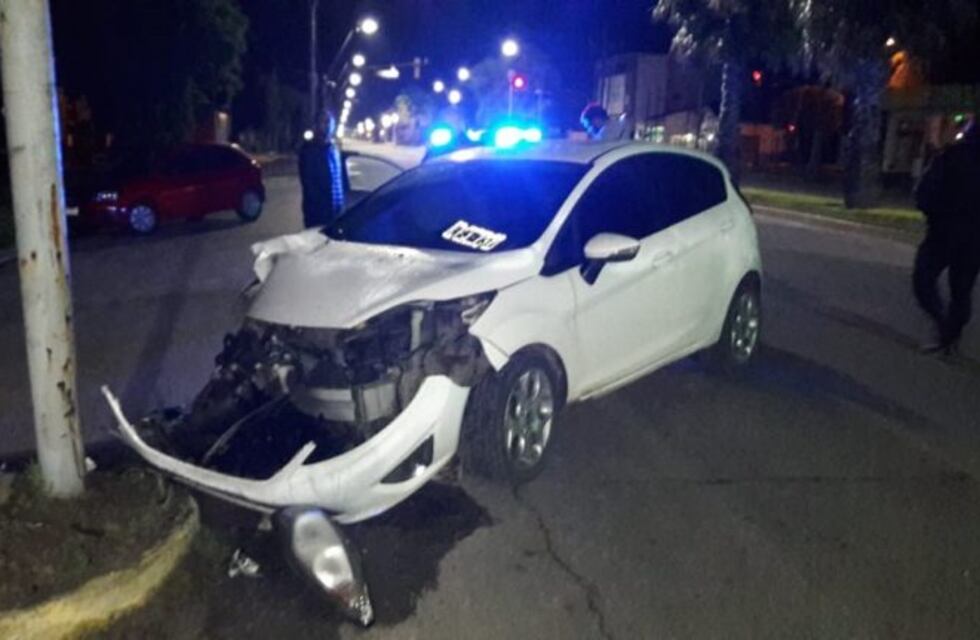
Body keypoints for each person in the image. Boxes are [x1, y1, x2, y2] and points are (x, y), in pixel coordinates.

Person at [912, 119, 980, 354]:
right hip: (972, 238)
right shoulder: (954, 155)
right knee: (961, 290)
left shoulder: (953, 156)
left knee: (923, 280)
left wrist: (931, 212)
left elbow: (926, 191)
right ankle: (951, 334)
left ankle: (943, 326)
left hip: (943, 232)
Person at [298, 111, 345, 228]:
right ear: (316, 125)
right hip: (318, 214)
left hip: (336, 211)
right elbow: (309, 186)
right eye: (323, 122)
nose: (326, 125)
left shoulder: (334, 149)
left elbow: (339, 179)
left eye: (329, 122)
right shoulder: (309, 151)